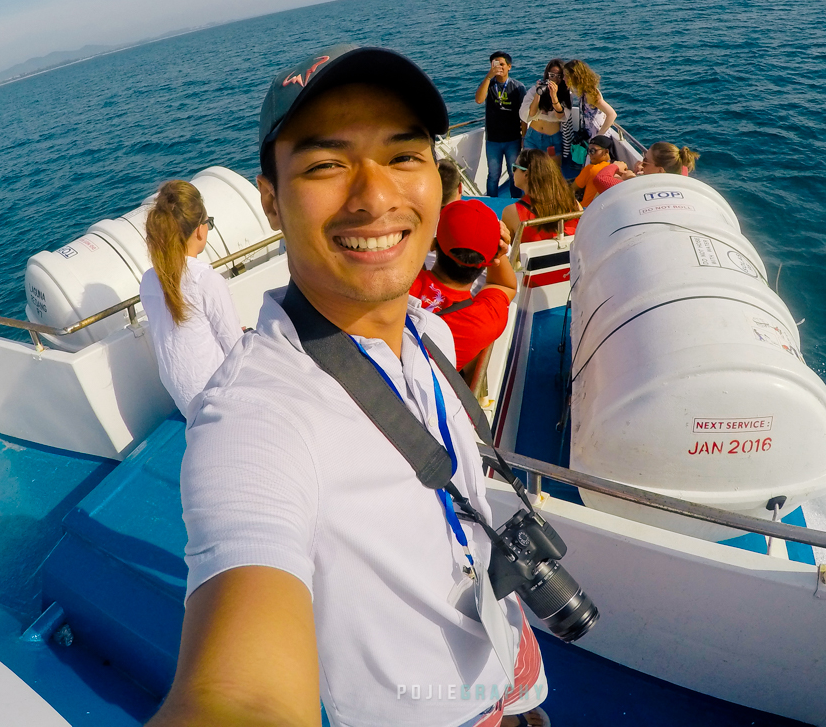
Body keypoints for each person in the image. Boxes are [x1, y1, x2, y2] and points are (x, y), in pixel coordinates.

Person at [149, 44, 548, 727]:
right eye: (326, 165)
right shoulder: (252, 419)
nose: (375, 196)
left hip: (509, 649)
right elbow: (238, 697)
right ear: (271, 202)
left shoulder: (429, 331)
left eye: (403, 156)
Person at [138, 180, 243, 417]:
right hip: (217, 399)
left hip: (185, 401)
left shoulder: (149, 280)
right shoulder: (206, 280)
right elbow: (236, 348)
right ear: (199, 230)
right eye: (209, 223)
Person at [410, 199, 517, 371]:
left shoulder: (396, 285)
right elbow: (505, 286)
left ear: (434, 245)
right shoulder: (480, 321)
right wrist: (499, 252)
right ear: (490, 261)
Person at [502, 149, 581, 244]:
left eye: (514, 168)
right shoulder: (573, 203)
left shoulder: (511, 212)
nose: (513, 172)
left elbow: (506, 248)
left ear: (526, 174)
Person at [474, 51, 525, 198]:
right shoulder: (488, 84)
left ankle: (515, 201)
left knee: (514, 173)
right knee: (493, 175)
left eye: (502, 64)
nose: (499, 67)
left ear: (509, 66)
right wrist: (488, 77)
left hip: (513, 139)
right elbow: (479, 100)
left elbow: (524, 115)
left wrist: (524, 137)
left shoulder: (518, 87)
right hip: (493, 140)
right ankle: (491, 203)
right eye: (495, 64)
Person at [562, 60, 617, 164]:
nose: (564, 78)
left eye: (566, 76)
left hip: (599, 143)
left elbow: (612, 114)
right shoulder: (582, 93)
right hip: (592, 140)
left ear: (574, 77)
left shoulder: (591, 94)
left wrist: (598, 137)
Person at [518, 59, 571, 161]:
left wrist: (554, 96)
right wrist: (538, 93)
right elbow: (531, 114)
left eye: (559, 76)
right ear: (547, 75)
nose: (555, 79)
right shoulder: (535, 89)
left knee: (553, 169)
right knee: (530, 168)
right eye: (552, 75)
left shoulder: (566, 93)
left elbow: (560, 116)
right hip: (533, 136)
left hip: (552, 139)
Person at [568, 134, 615, 209]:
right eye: (588, 151)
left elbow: (572, 189)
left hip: (586, 209)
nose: (590, 154)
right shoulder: (616, 168)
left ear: (606, 151)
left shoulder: (591, 169)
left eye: (593, 151)